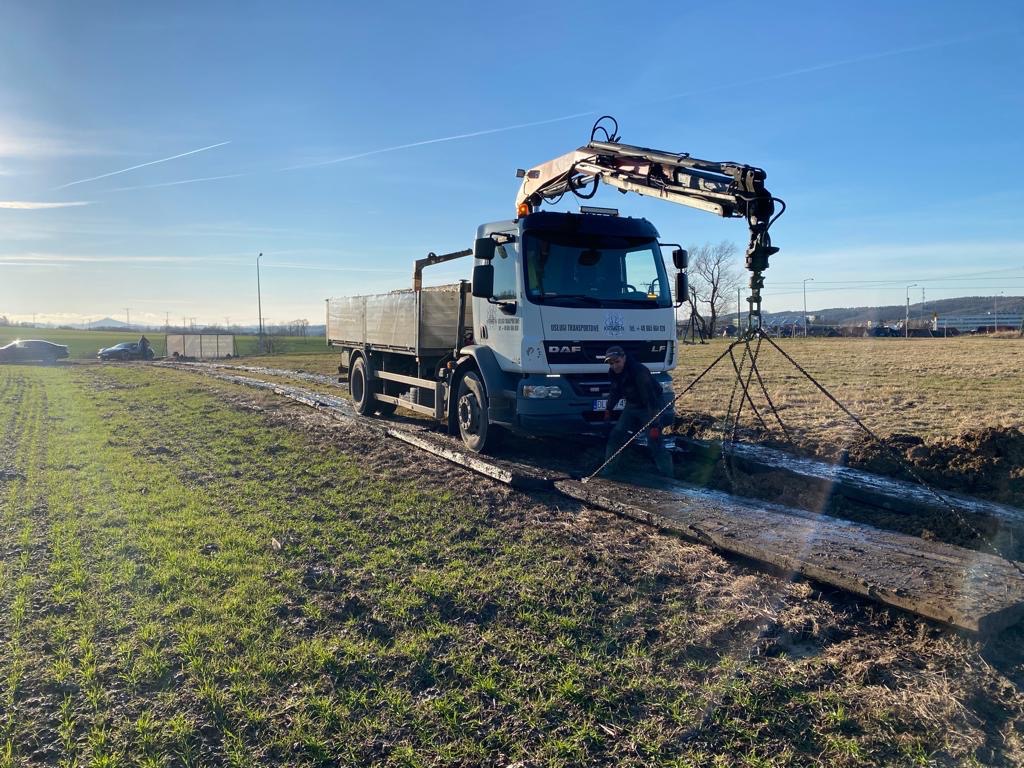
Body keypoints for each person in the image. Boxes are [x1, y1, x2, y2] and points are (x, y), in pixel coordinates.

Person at [602, 345, 673, 476]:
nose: (615, 366)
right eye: (611, 363)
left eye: (617, 361)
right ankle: (608, 470)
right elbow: (615, 391)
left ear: (624, 358)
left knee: (654, 441)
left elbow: (650, 398)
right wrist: (608, 409)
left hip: (650, 407)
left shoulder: (639, 371)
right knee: (616, 435)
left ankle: (668, 475)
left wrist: (655, 423)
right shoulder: (613, 373)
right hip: (632, 405)